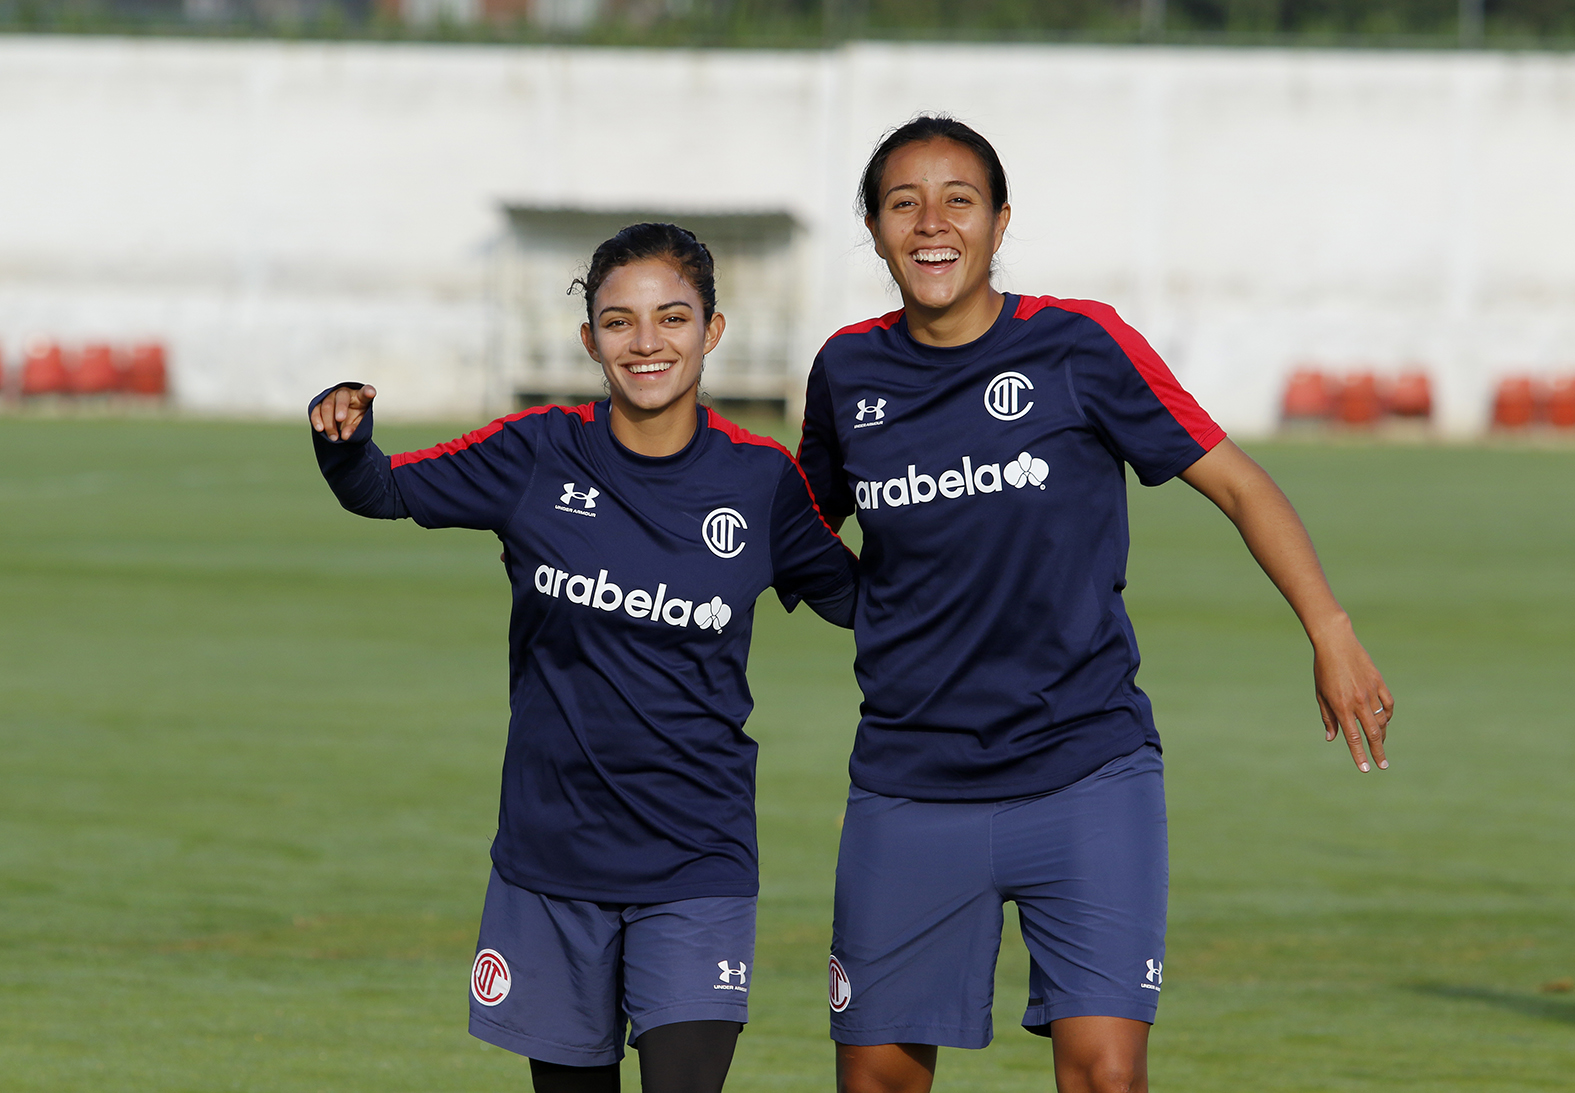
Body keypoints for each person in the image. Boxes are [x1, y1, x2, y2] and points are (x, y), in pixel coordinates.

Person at [795, 116, 1394, 1093]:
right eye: (904, 203)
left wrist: (1331, 628)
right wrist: (870, 607)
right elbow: (800, 530)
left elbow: (1241, 484)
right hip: (910, 782)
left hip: (1085, 769)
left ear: (1000, 222)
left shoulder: (1081, 345)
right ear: (872, 229)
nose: (932, 223)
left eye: (960, 200)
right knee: (878, 1080)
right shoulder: (847, 370)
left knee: (1106, 1074)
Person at [309, 223, 857, 1093]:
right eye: (619, 322)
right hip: (552, 861)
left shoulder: (762, 481)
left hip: (697, 859)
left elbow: (867, 604)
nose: (646, 342)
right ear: (589, 339)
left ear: (712, 331)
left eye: (672, 317)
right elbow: (384, 489)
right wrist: (341, 441)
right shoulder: (535, 452)